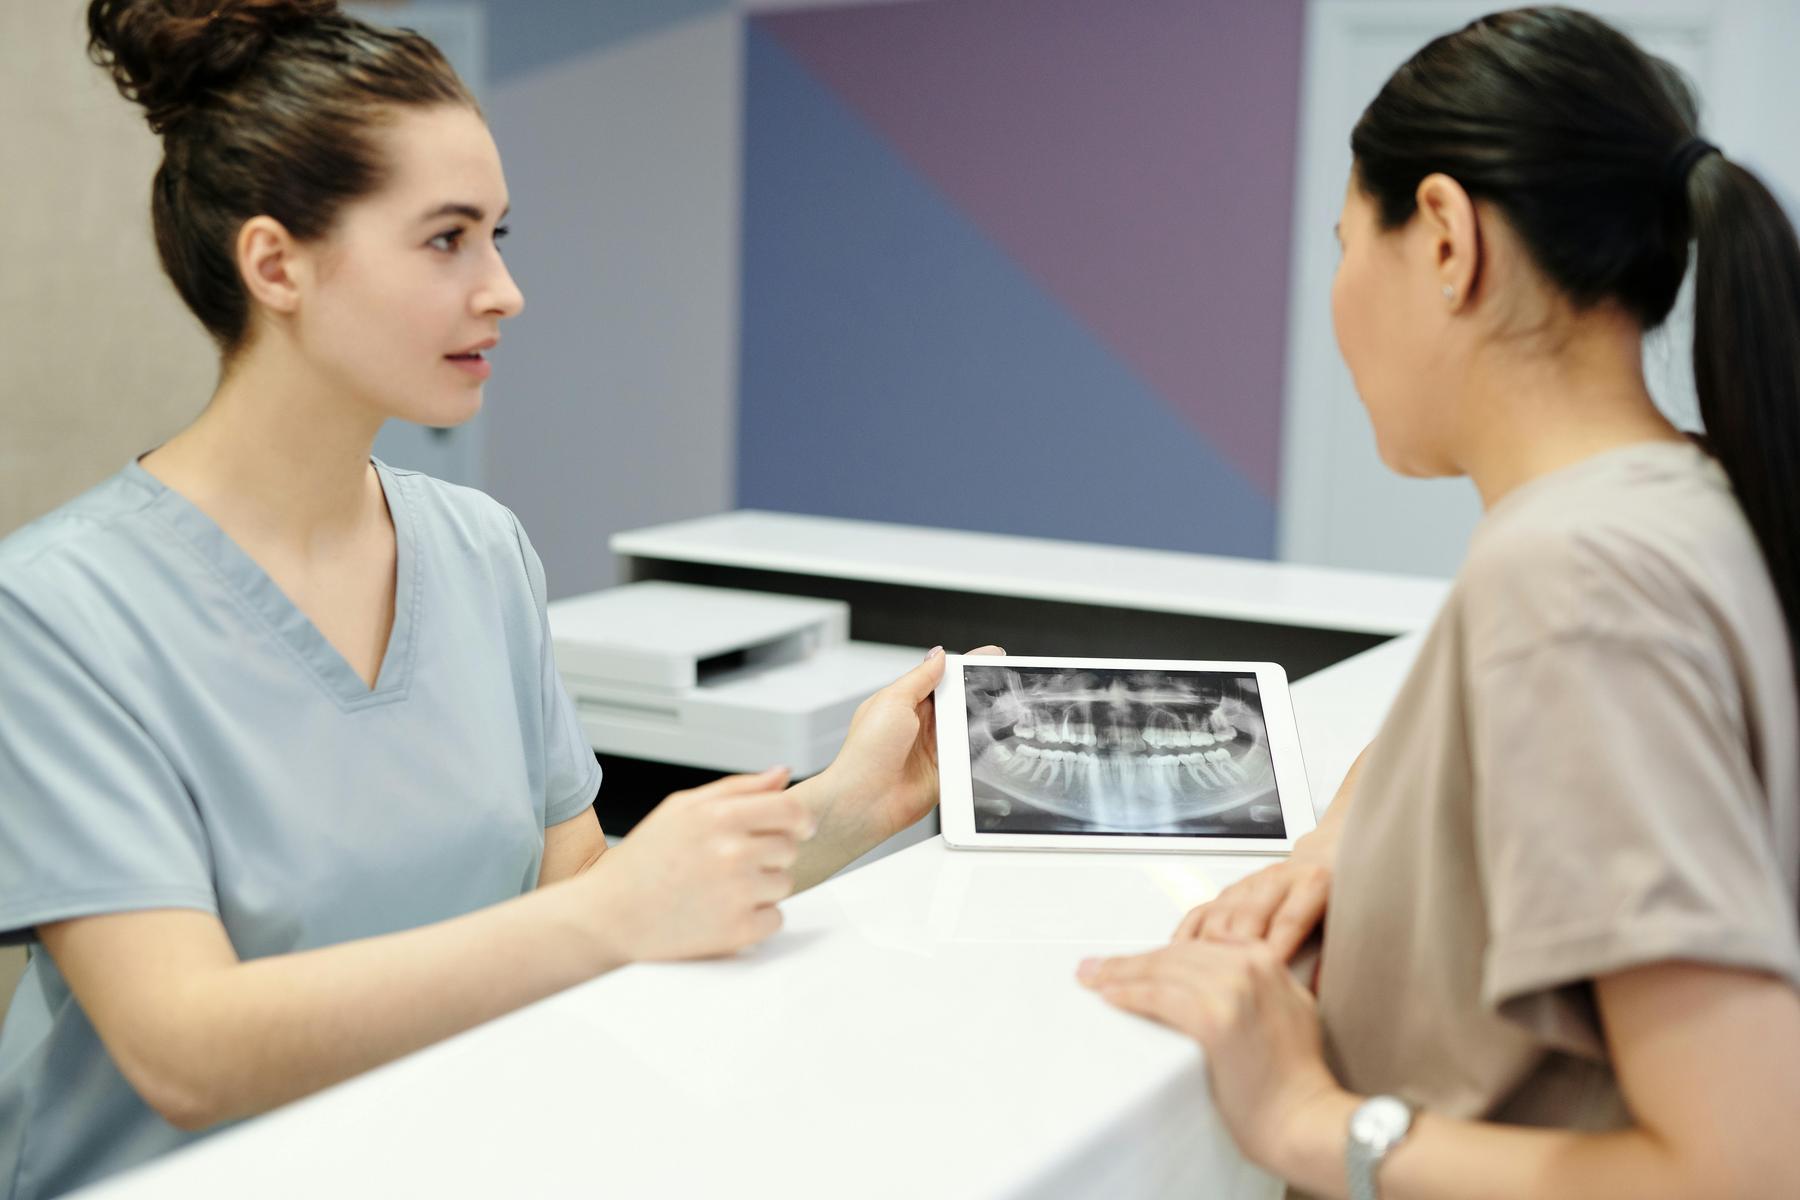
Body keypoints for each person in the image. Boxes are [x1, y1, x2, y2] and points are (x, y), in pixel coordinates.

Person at [0, 3, 981, 1196]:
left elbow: (571, 894)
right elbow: (184, 1050)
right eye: (447, 240)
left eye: (498, 236)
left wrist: (851, 806)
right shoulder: (58, 612)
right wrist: (614, 915)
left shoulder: (478, 551)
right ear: (276, 264)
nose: (505, 290)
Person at [1079, 7, 1800, 1199]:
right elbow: (1487, 746)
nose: (1340, 297)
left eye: (1345, 244)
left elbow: (1740, 1165)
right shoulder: (1687, 494)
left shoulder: (1574, 579)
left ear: (1447, 239)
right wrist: (1337, 842)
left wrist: (1313, 1120)